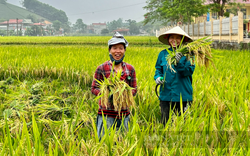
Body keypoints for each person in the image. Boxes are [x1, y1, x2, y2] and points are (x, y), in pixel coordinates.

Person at [91, 32, 137, 140]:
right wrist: (106, 93)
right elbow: (94, 88)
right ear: (109, 50)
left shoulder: (130, 69)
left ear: (124, 50)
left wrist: (124, 94)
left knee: (123, 142)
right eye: (114, 48)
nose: (118, 51)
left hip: (124, 113)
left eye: (121, 48)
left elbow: (134, 89)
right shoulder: (102, 68)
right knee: (104, 142)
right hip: (106, 114)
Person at [154, 26, 195, 126]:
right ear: (168, 39)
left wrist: (178, 63)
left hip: (183, 96)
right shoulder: (163, 54)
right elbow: (158, 69)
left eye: (178, 38)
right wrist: (158, 78)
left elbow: (188, 71)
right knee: (165, 124)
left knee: (183, 126)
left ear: (183, 40)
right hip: (166, 95)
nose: (174, 40)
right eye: (172, 37)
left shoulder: (190, 54)